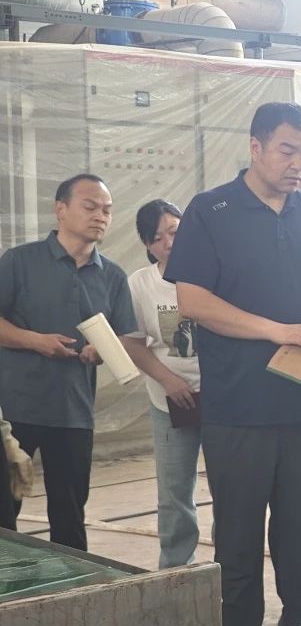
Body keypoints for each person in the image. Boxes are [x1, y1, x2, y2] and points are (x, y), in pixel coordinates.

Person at [165, 102, 301, 626]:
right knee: (238, 539)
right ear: (256, 147)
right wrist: (276, 330)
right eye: (287, 151)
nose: (299, 164)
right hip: (238, 409)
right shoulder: (211, 210)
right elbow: (193, 300)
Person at [0, 174, 136, 550]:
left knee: (70, 514)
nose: (100, 216)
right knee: (4, 510)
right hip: (15, 411)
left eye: (107, 210)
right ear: (60, 209)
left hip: (74, 414)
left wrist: (101, 349)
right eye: (90, 206)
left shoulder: (112, 276)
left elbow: (126, 336)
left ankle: (74, 581)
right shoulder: (20, 261)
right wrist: (35, 341)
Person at [119, 199, 202, 569]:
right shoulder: (140, 284)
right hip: (169, 402)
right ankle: (176, 570)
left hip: (222, 400)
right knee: (174, 492)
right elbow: (132, 342)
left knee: (232, 488)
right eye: (157, 238)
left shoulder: (213, 271)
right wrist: (169, 380)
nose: (169, 242)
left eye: (174, 231)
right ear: (147, 245)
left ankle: (231, 569)